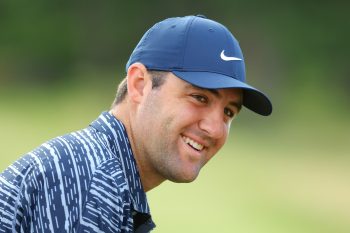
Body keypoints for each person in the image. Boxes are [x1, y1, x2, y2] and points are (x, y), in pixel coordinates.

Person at [0, 15, 272, 233]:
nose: (214, 128)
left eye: (228, 112)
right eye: (199, 97)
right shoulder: (93, 186)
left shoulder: (99, 171)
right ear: (139, 85)